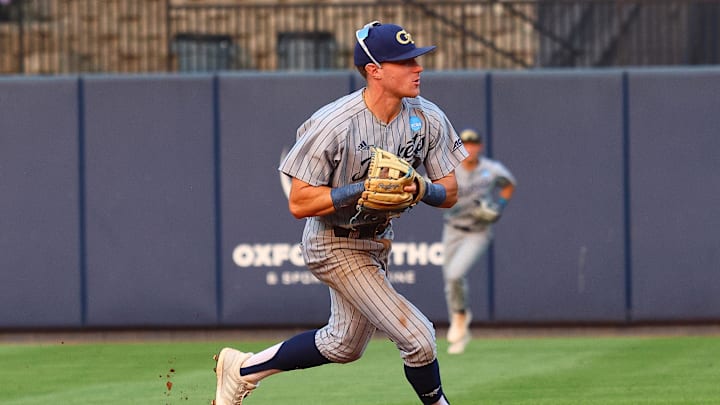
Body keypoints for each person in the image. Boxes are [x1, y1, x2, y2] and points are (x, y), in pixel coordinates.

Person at [211, 21, 467, 405]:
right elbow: (299, 202)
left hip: (376, 242)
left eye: (417, 59)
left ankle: (242, 370)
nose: (418, 68)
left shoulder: (427, 117)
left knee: (344, 345)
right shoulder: (334, 123)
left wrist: (421, 188)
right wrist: (358, 190)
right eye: (405, 62)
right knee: (417, 336)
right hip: (332, 243)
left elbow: (450, 193)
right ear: (373, 70)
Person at [441, 128, 516, 354]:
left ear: (479, 147)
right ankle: (461, 327)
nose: (469, 148)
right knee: (450, 281)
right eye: (464, 144)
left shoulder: (490, 170)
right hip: (452, 229)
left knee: (455, 273)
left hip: (478, 230)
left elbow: (509, 184)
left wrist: (499, 206)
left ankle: (460, 317)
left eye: (473, 144)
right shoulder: (449, 169)